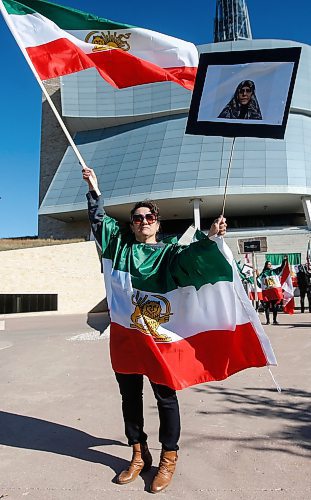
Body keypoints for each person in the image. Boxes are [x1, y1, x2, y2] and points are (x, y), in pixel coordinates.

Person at [82, 167, 227, 493]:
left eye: (149, 216)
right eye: (137, 217)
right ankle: (138, 453)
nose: (143, 220)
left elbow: (196, 255)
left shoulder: (171, 252)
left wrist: (213, 236)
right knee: (129, 396)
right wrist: (94, 191)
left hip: (161, 339)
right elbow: (98, 221)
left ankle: (169, 457)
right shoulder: (117, 248)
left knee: (165, 397)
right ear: (132, 224)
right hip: (126, 337)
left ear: (158, 222)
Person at [258, 257, 287, 325]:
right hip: (267, 291)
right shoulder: (263, 273)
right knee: (267, 306)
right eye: (268, 264)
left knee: (274, 306)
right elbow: (259, 281)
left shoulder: (274, 271)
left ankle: (274, 320)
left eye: (270, 264)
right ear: (266, 265)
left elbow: (281, 267)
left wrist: (284, 261)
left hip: (274, 291)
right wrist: (261, 287)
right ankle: (268, 320)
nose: (270, 265)